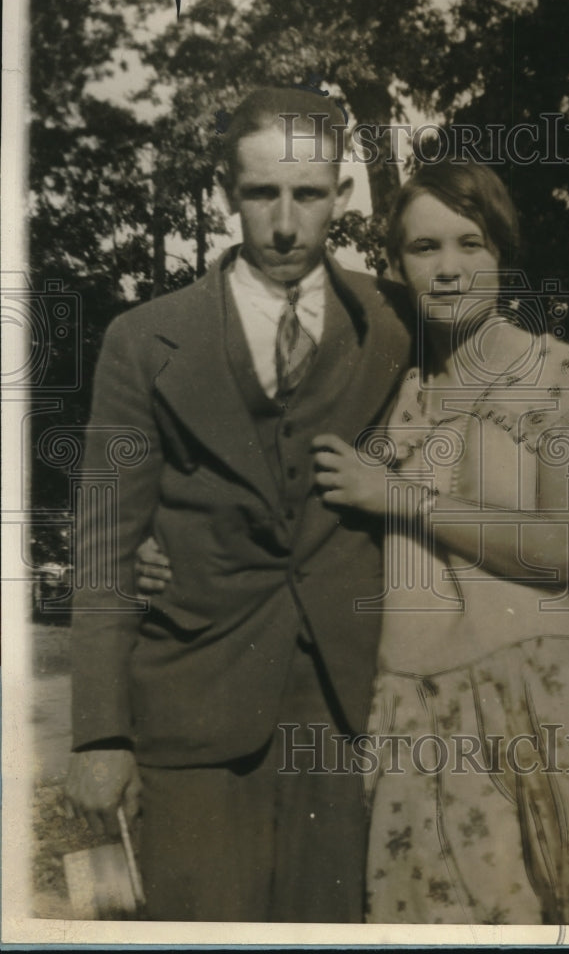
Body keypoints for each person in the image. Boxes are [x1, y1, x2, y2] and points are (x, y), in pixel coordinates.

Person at [309, 160, 569, 925]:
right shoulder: (387, 396)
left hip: (550, 703)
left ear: (502, 255)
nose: (450, 268)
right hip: (421, 717)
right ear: (394, 265)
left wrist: (396, 495)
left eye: (471, 243)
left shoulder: (560, 375)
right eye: (424, 249)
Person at [64, 86, 413, 922]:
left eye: (309, 194)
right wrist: (101, 734)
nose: (286, 223)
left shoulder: (397, 325)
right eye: (262, 194)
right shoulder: (142, 339)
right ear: (227, 194)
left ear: (341, 193)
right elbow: (108, 542)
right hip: (194, 699)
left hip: (349, 702)